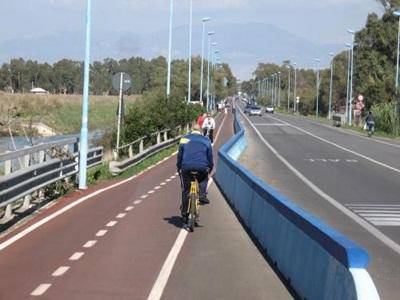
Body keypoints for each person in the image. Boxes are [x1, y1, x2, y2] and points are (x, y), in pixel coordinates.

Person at [177, 124, 214, 223]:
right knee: (203, 179)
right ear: (200, 131)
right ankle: (202, 195)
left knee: (186, 189)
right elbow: (210, 156)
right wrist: (210, 167)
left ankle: (184, 211)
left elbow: (180, 155)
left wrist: (179, 166)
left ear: (191, 130)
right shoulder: (206, 140)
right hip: (201, 167)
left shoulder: (184, 139)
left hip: (186, 166)